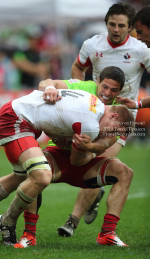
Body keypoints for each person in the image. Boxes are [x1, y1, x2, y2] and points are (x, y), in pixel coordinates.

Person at [0, 78, 134, 246]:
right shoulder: (90, 124)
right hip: (17, 121)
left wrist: (87, 144)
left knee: (20, 177)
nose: (111, 135)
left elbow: (61, 115)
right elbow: (78, 160)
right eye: (113, 131)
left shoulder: (93, 101)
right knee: (40, 176)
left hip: (25, 121)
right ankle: (7, 221)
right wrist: (93, 148)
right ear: (114, 117)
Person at [58, 2, 150, 236]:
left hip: (120, 118)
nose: (116, 30)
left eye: (121, 26)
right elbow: (77, 67)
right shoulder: (92, 44)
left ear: (130, 28)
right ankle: (96, 192)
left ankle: (72, 221)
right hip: (93, 112)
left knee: (96, 158)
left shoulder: (141, 49)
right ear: (106, 23)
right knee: (86, 159)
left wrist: (138, 104)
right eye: (112, 24)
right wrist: (82, 92)